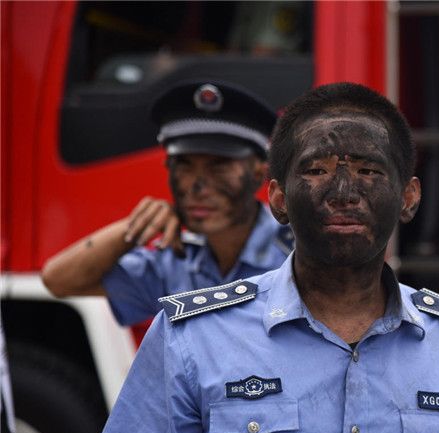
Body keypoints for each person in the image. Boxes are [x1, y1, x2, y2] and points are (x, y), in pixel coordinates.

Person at [94, 82, 439, 433]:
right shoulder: (189, 339)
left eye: (369, 171)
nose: (345, 193)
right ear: (278, 199)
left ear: (408, 197)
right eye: (316, 170)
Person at [41, 79, 293, 326]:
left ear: (259, 174)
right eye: (184, 166)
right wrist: (136, 227)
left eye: (220, 166)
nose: (199, 188)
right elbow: (58, 280)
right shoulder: (177, 260)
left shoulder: (298, 251)